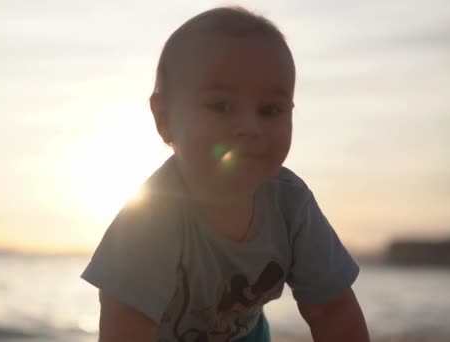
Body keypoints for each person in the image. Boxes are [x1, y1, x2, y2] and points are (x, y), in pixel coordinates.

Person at [82, 6, 370, 342]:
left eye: (270, 110)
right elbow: (125, 325)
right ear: (165, 118)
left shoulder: (290, 203)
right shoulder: (150, 218)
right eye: (220, 106)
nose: (249, 127)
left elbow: (332, 310)